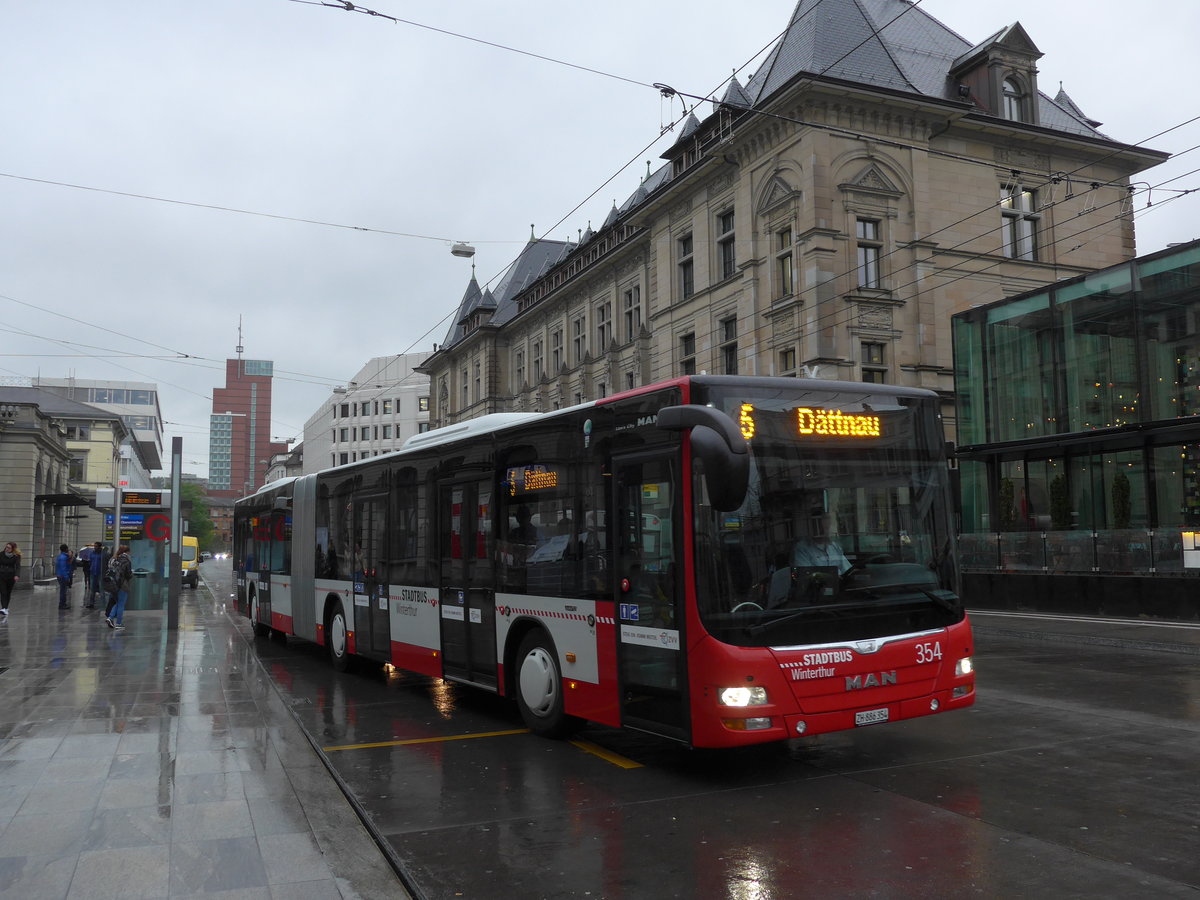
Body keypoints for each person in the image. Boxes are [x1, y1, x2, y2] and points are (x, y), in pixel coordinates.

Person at [105, 544, 133, 630]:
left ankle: (110, 618)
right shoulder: (126, 560)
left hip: (113, 585)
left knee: (117, 603)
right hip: (122, 585)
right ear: (127, 552)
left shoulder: (114, 559)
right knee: (121, 604)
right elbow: (128, 574)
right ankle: (119, 623)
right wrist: (132, 573)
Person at [86, 542, 110, 610]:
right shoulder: (92, 553)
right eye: (94, 546)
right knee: (92, 589)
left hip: (101, 573)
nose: (95, 547)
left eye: (96, 546)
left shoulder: (104, 554)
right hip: (93, 573)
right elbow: (90, 561)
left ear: (100, 547)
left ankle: (103, 604)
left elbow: (107, 563)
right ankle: (91, 603)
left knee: (101, 589)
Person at [0, 542, 20, 618]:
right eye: (6, 547)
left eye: (9, 548)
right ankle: (3, 608)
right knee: (3, 592)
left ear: (13, 549)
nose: (7, 549)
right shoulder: (1, 554)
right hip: (1, 575)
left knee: (8, 592)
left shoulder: (16, 556)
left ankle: (6, 608)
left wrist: (17, 575)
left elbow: (18, 566)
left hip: (11, 576)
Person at [55, 543, 74, 610]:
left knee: (63, 590)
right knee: (63, 591)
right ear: (66, 549)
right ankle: (62, 604)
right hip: (62, 576)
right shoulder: (63, 558)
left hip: (60, 575)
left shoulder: (60, 556)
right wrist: (66, 577)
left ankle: (63, 604)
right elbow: (63, 568)